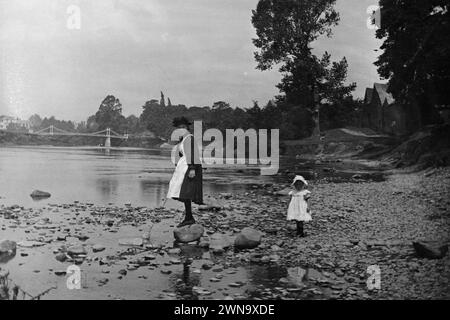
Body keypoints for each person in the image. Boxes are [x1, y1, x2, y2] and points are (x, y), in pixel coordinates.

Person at [166, 117, 203, 227]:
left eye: (183, 127)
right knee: (183, 192)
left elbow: (193, 154)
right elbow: (182, 154)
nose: (181, 129)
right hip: (184, 166)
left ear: (187, 127)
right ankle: (189, 216)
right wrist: (177, 163)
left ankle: (189, 217)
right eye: (179, 128)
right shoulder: (183, 139)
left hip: (190, 167)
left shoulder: (190, 138)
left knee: (186, 192)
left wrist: (192, 168)